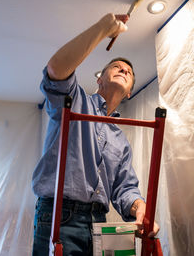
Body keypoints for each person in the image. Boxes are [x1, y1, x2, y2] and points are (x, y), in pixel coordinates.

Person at [32, 13, 159, 255]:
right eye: (116, 66)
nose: (123, 68)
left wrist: (140, 207)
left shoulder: (120, 140)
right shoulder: (74, 101)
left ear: (130, 92)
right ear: (99, 79)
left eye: (128, 72)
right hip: (60, 216)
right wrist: (103, 28)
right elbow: (56, 69)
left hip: (100, 223)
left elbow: (125, 189)